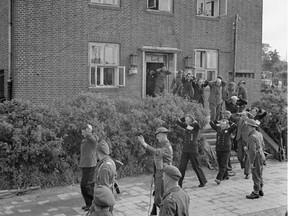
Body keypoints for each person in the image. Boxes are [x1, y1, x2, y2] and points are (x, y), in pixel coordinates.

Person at [137, 127, 173, 216]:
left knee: (159, 198)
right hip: (161, 174)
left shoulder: (167, 147)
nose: (157, 138)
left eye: (159, 136)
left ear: (164, 135)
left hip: (163, 175)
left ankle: (164, 213)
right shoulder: (165, 146)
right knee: (158, 196)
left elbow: (156, 152)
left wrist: (144, 144)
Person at [177, 114, 207, 188]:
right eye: (186, 120)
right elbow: (179, 122)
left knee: (195, 166)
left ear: (191, 120)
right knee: (182, 167)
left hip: (193, 149)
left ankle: (203, 180)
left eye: (187, 120)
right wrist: (184, 118)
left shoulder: (195, 126)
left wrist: (191, 118)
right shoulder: (188, 126)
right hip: (185, 149)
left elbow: (195, 125)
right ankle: (179, 183)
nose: (186, 121)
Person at [210, 119, 237, 185]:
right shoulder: (218, 129)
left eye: (224, 124)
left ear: (226, 125)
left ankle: (219, 178)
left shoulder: (229, 130)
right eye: (221, 124)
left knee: (223, 164)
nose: (222, 126)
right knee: (219, 163)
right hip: (219, 148)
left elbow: (235, 125)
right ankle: (225, 175)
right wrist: (217, 121)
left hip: (226, 149)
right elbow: (211, 123)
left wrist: (229, 121)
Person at [93, 140, 117, 214]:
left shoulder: (104, 168)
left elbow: (104, 189)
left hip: (105, 200)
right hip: (110, 193)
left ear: (98, 152)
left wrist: (94, 203)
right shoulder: (110, 161)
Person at [79, 124, 98, 212]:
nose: (82, 133)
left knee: (86, 185)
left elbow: (90, 136)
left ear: (88, 130)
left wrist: (88, 129)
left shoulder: (92, 139)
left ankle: (92, 204)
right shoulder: (85, 140)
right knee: (87, 186)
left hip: (90, 165)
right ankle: (89, 204)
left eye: (83, 131)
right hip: (85, 165)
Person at [245, 119, 265, 199]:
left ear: (250, 126)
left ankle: (256, 192)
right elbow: (263, 144)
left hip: (256, 156)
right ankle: (260, 189)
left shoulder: (251, 136)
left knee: (255, 174)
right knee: (259, 173)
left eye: (247, 125)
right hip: (261, 154)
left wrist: (252, 162)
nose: (246, 127)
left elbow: (252, 151)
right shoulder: (259, 134)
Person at [235, 111, 251, 179]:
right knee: (239, 155)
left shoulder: (250, 121)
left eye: (244, 115)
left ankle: (247, 172)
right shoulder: (240, 120)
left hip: (247, 140)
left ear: (247, 115)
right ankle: (243, 164)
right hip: (239, 139)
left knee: (248, 156)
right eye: (241, 115)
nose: (242, 116)